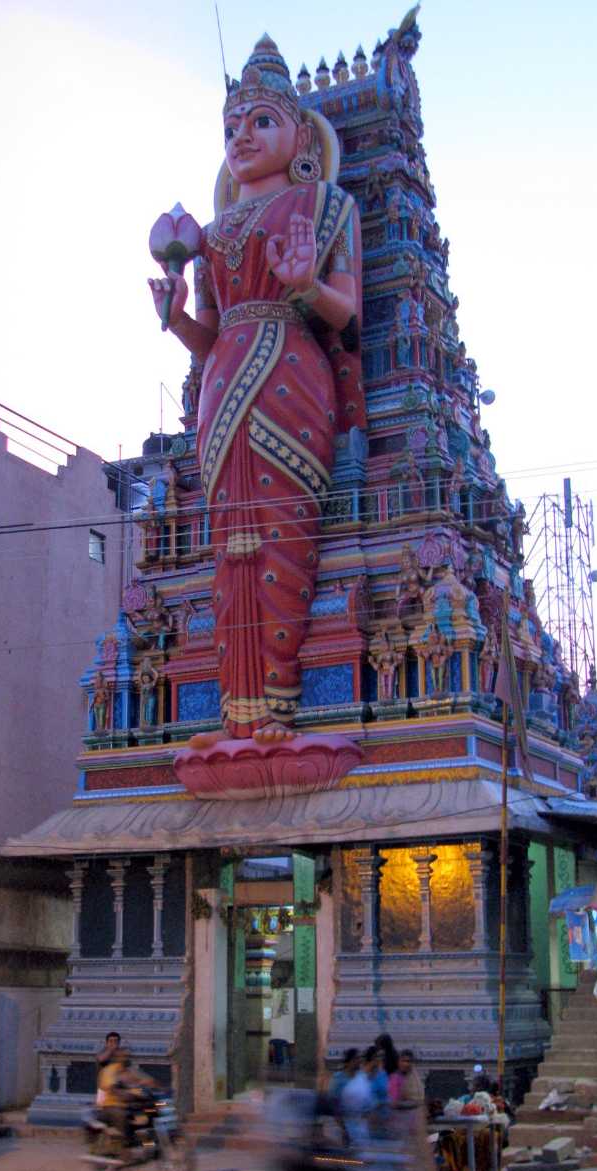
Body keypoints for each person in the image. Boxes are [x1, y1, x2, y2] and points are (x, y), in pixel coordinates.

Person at [149, 33, 363, 745]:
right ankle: (238, 715)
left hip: (291, 373)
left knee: (280, 534)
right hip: (222, 383)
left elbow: (348, 310)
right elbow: (209, 334)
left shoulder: (328, 204)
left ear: (302, 135)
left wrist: (305, 284)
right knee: (228, 546)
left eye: (261, 121)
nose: (242, 136)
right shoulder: (209, 236)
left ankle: (277, 704)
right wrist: (176, 315)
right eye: (232, 127)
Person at [97, 1045, 155, 1153]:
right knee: (122, 1116)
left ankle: (148, 1144)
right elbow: (112, 1088)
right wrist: (126, 1093)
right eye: (123, 1056)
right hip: (111, 1106)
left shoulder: (129, 1071)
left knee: (148, 1114)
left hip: (129, 1104)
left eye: (127, 1056)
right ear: (116, 1058)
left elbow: (146, 1081)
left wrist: (155, 1085)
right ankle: (124, 1147)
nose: (125, 1059)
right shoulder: (109, 1071)